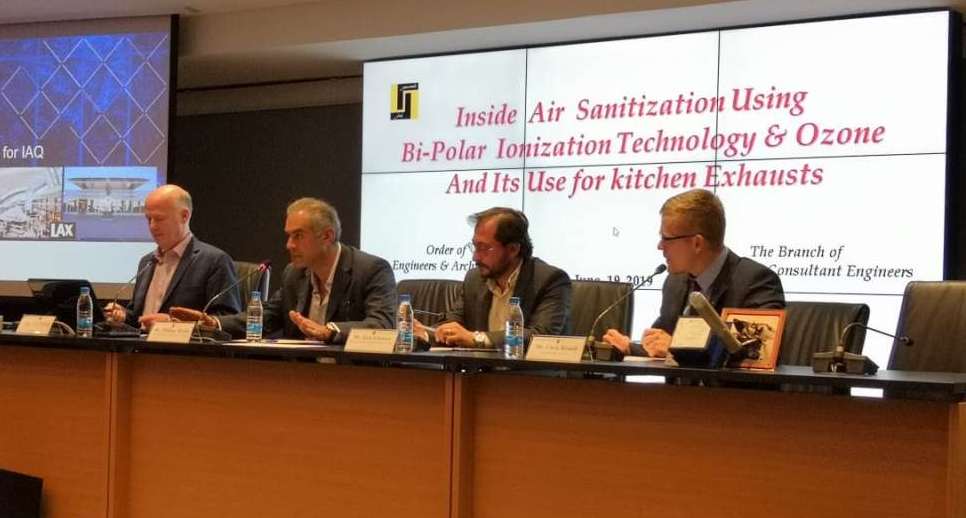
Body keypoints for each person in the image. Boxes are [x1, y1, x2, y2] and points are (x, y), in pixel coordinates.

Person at [172, 197, 396, 343]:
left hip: (356, 380)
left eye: (298, 236)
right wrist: (214, 323)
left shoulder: (371, 270)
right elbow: (266, 318)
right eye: (289, 236)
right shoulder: (294, 274)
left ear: (327, 236)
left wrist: (330, 331)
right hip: (299, 379)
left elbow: (383, 325)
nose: (289, 245)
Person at [603, 188, 784, 357]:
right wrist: (629, 347)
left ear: (697, 243)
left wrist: (678, 347)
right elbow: (660, 345)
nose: (660, 246)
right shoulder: (675, 283)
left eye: (666, 238)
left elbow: (756, 353)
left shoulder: (755, 282)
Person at [427, 207, 571, 349]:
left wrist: (478, 339)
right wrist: (426, 334)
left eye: (483, 248)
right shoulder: (474, 278)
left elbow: (540, 336)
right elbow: (454, 321)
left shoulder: (550, 280)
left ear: (513, 249)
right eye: (475, 246)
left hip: (528, 365)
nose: (475, 257)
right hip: (480, 365)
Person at [104, 184, 241, 329]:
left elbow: (225, 319)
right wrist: (124, 315)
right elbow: (140, 318)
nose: (152, 226)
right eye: (149, 219)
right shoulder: (147, 262)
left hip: (182, 344)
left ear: (184, 216)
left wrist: (173, 323)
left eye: (159, 218)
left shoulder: (214, 261)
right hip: (141, 342)